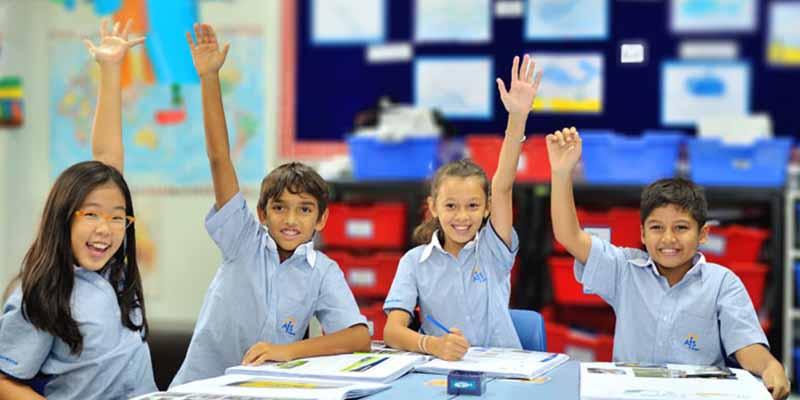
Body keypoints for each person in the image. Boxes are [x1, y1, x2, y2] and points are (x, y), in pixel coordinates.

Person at [171, 23, 369, 386]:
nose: (291, 219)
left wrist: (288, 351)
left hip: (265, 390)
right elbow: (219, 159)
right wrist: (210, 78)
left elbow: (359, 338)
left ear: (322, 219)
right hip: (199, 390)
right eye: (279, 208)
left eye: (305, 209)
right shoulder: (242, 240)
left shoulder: (322, 272)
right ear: (262, 214)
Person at [547, 127, 790, 399]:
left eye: (681, 227)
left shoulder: (723, 283)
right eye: (656, 228)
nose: (668, 239)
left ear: (704, 234)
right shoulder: (624, 270)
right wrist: (561, 173)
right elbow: (569, 236)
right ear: (642, 233)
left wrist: (769, 366)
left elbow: (745, 346)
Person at [0, 19, 156, 399]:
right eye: (91, 214)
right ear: (63, 217)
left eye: (118, 217)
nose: (106, 228)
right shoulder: (41, 292)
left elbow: (107, 162)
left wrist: (112, 68)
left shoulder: (115, 272)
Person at [382, 55, 542, 360]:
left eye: (472, 206)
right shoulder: (415, 262)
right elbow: (392, 331)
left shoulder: (494, 248)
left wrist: (517, 117)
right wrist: (433, 345)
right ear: (432, 207)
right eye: (451, 206)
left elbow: (503, 185)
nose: (462, 216)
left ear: (487, 209)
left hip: (504, 368)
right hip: (441, 370)